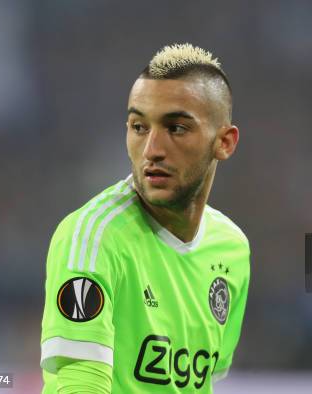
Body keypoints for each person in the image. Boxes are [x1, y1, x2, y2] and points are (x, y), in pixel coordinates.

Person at [40, 43, 250, 393]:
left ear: (224, 142)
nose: (152, 149)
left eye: (177, 128)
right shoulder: (93, 238)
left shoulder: (232, 249)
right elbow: (80, 382)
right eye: (139, 126)